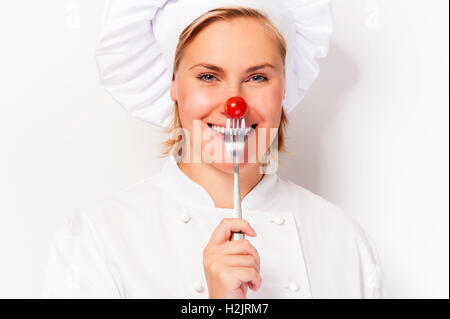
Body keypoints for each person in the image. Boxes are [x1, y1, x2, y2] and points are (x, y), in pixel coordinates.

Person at [42, 0, 385, 298]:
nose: (233, 104)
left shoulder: (345, 242)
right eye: (208, 76)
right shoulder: (97, 241)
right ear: (174, 86)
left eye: (257, 77)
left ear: (284, 89)